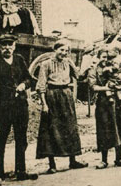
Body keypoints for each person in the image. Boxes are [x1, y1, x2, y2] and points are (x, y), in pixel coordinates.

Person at [0, 34, 38, 183]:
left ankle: (21, 170)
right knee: (0, 138)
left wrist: (23, 85)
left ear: (14, 46)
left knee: (21, 138)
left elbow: (28, 79)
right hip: (2, 106)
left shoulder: (19, 60)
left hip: (20, 105)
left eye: (10, 45)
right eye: (4, 45)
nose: (7, 48)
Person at [35, 39, 87, 173]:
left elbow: (78, 77)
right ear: (55, 50)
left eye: (66, 51)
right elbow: (41, 86)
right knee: (51, 129)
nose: (64, 53)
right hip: (52, 96)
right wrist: (44, 104)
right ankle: (52, 165)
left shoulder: (68, 62)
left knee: (70, 127)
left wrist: (82, 67)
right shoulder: (45, 64)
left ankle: (73, 160)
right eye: (61, 50)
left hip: (66, 96)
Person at [89, 47, 121, 169]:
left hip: (119, 103)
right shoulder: (94, 70)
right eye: (103, 57)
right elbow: (93, 87)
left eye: (109, 58)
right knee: (105, 129)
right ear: (98, 57)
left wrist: (119, 87)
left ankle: (119, 158)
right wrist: (107, 88)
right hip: (103, 103)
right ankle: (104, 160)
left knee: (119, 128)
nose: (106, 60)